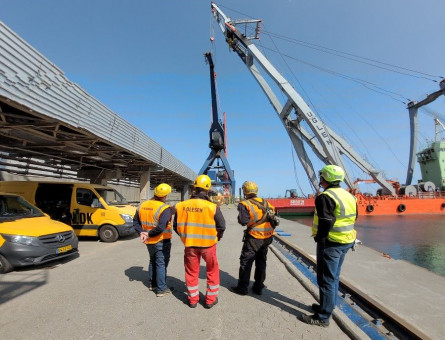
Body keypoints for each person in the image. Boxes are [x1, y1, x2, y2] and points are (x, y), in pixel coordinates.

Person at [299, 165, 357, 327]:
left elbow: (326, 221)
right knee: (334, 277)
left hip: (330, 243)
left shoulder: (325, 197)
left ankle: (323, 317)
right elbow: (354, 216)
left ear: (326, 178)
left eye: (322, 177)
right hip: (346, 241)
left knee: (326, 280)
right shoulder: (348, 196)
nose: (320, 180)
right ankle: (326, 306)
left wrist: (320, 238)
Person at [173, 174, 226, 309]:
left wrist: (186, 236)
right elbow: (221, 226)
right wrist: (216, 238)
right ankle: (210, 300)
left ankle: (192, 300)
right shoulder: (212, 207)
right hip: (208, 246)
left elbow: (176, 226)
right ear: (207, 190)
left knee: (191, 272)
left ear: (194, 188)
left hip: (190, 245)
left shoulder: (181, 205)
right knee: (212, 271)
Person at [230, 181, 277, 296]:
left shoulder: (245, 204)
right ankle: (258, 287)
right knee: (261, 262)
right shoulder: (267, 203)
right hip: (267, 238)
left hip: (254, 238)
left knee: (246, 261)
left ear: (245, 191)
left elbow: (243, 221)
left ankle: (242, 288)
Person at [133, 183, 174, 297]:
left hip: (148, 240)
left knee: (152, 260)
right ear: (165, 196)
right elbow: (161, 227)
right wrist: (149, 234)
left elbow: (135, 222)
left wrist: (142, 233)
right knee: (161, 263)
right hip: (161, 240)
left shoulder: (142, 205)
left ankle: (153, 284)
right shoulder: (164, 208)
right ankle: (161, 289)